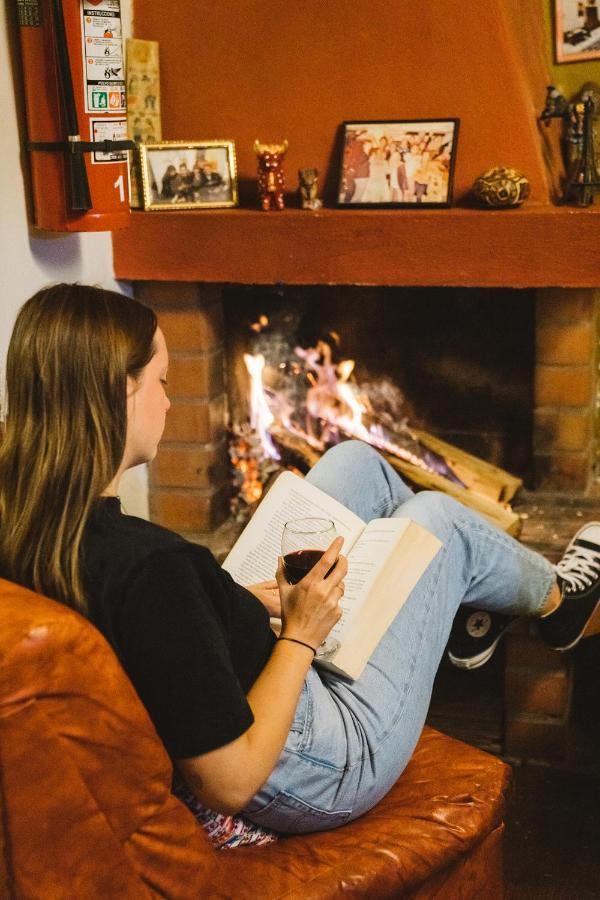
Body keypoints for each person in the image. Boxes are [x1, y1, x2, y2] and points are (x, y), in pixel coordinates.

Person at [1, 283, 600, 835]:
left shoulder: (33, 521)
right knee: (438, 526)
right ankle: (562, 606)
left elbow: (166, 635)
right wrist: (301, 636)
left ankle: (470, 608)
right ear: (119, 392)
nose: (169, 397)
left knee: (356, 463)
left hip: (257, 683)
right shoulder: (153, 569)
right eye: (159, 379)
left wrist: (232, 603)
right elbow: (232, 780)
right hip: (322, 755)